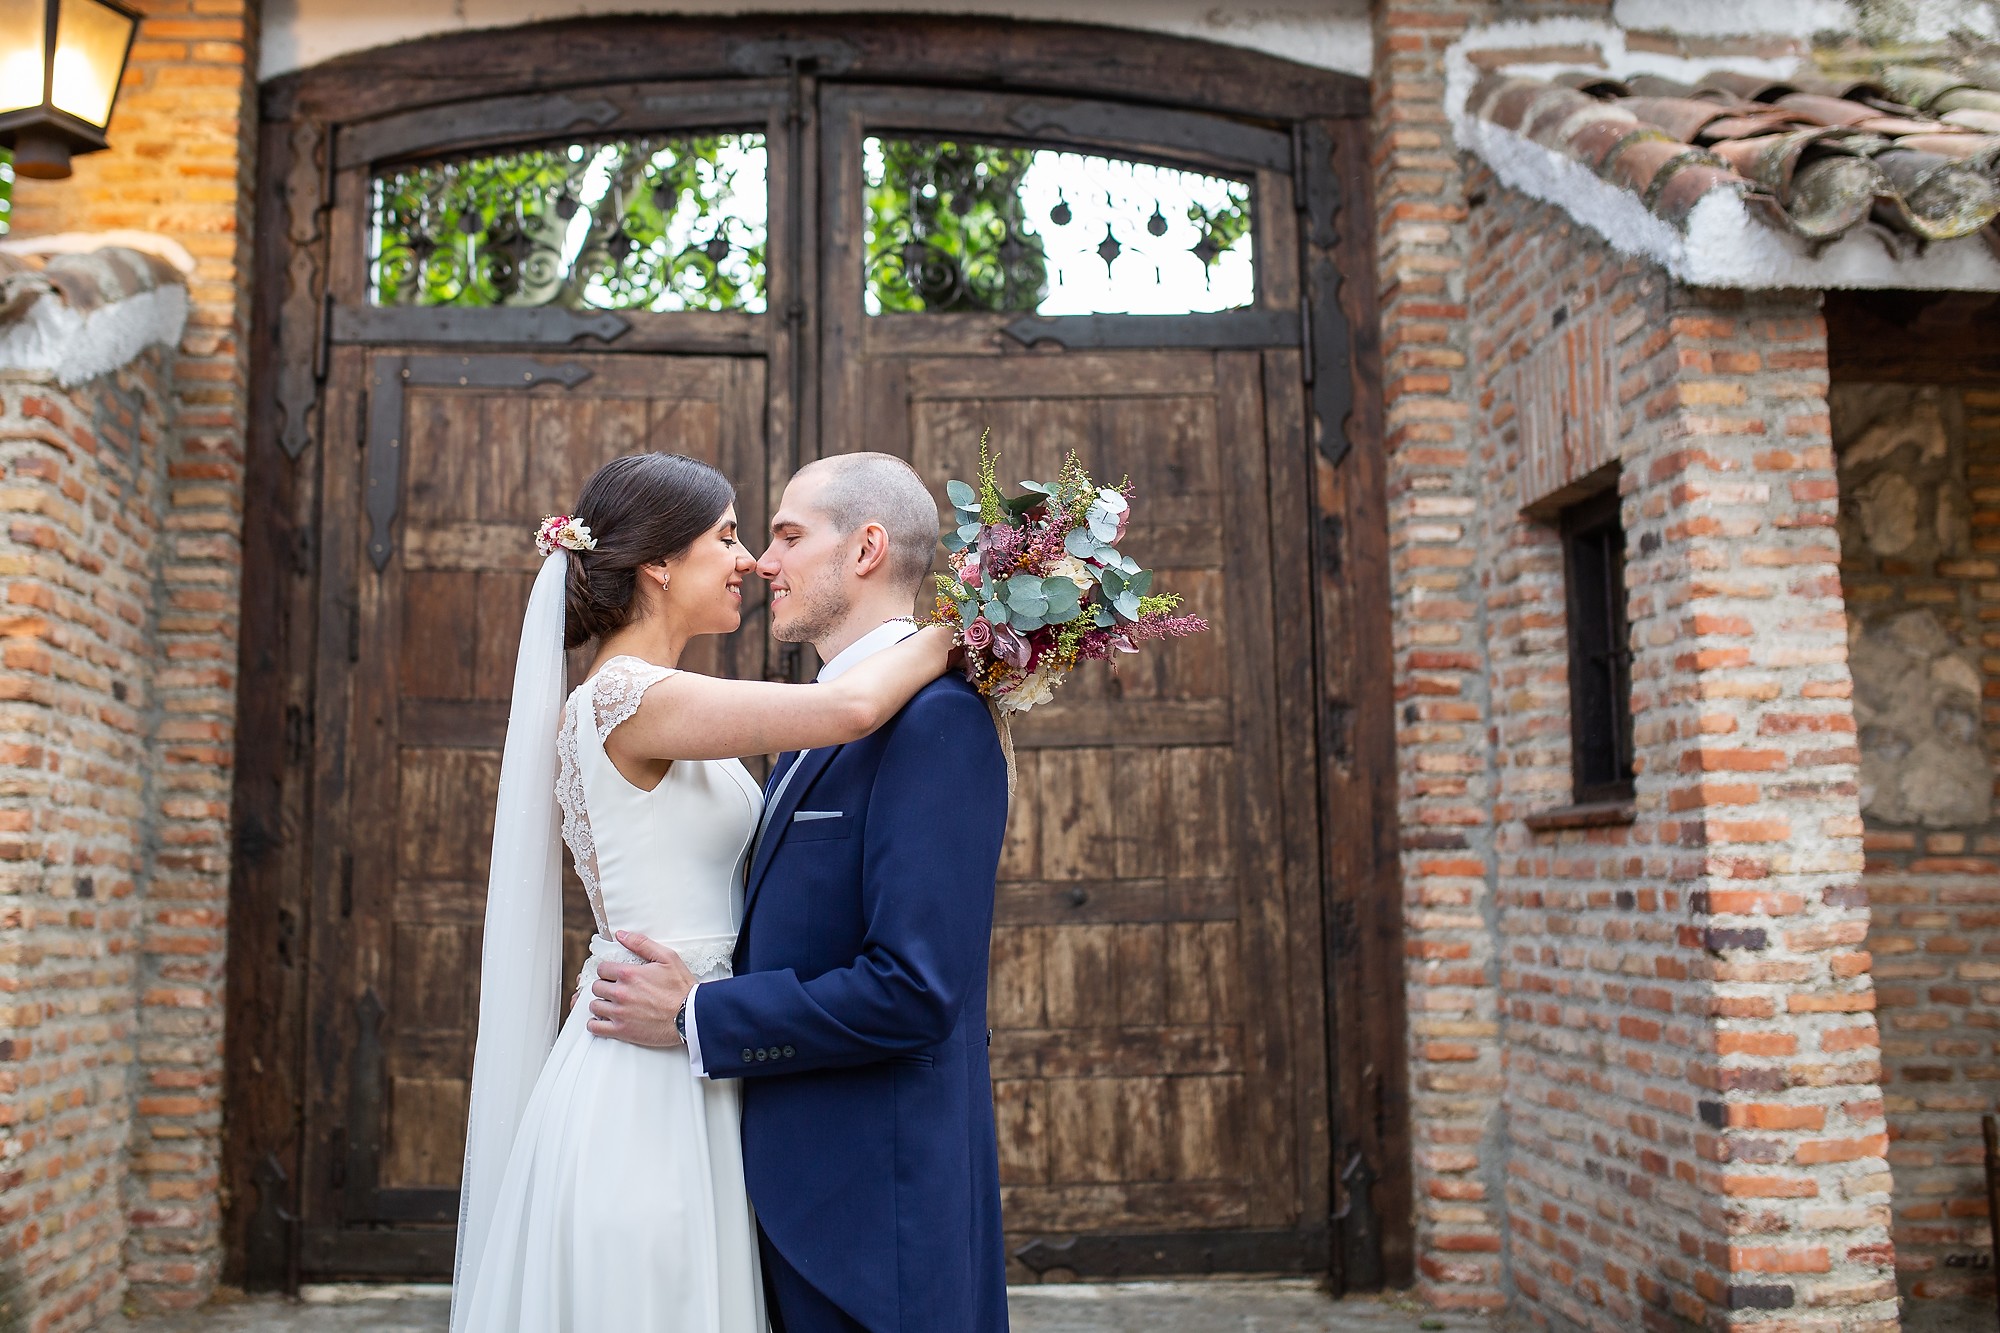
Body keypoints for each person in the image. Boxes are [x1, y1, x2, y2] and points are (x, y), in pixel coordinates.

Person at [450, 451, 956, 1333]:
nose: (750, 560)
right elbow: (849, 712)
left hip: (700, 1052)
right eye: (726, 536)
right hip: (645, 1079)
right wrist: (973, 627)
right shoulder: (628, 698)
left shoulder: (669, 698)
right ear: (657, 563)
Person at [586, 452, 1013, 1333]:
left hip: (873, 1227)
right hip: (768, 1198)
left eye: (784, 535)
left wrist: (699, 1014)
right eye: (749, 538)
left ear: (865, 548)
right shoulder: (815, 718)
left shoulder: (938, 719)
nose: (761, 562)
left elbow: (916, 986)